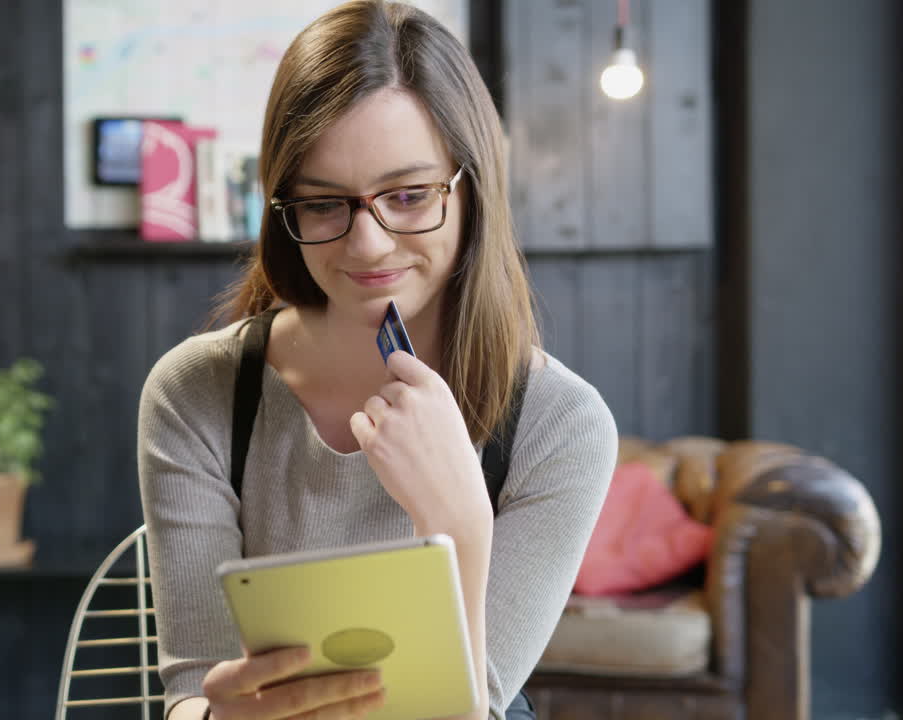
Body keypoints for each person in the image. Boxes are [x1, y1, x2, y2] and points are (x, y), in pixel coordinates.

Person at [137, 2, 617, 718]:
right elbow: (191, 689)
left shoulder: (560, 425)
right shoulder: (198, 392)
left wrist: (457, 523)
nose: (367, 244)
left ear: (472, 188)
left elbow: (468, 707)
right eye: (325, 204)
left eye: (409, 195)